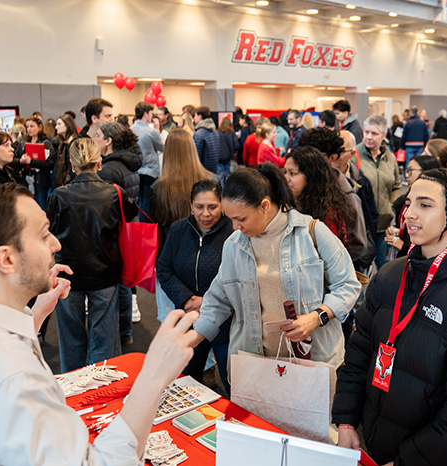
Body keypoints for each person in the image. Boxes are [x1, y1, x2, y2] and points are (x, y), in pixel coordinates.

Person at [0, 183, 198, 466]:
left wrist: (37, 311)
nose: (56, 244)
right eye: (43, 235)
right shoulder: (9, 375)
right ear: (7, 259)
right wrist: (154, 376)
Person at [332, 168, 447, 466]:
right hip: (372, 442)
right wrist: (346, 420)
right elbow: (359, 353)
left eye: (425, 205)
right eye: (409, 203)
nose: (409, 214)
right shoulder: (390, 276)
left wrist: (406, 464)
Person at [193, 164, 361, 368]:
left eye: (241, 219)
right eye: (231, 220)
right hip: (254, 361)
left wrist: (316, 317)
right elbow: (219, 296)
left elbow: (348, 285)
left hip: (311, 361)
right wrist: (194, 336)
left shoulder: (312, 233)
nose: (235, 227)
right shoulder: (235, 244)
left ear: (264, 205)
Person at [46, 138, 137, 373]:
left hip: (67, 272)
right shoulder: (114, 193)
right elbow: (130, 215)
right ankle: (102, 388)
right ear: (99, 162)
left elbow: (50, 232)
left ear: (73, 165)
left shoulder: (58, 195)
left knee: (70, 337)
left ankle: (73, 387)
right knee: (105, 337)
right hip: (105, 271)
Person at [157, 180, 234, 393]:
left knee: (233, 384)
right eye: (199, 207)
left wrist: (207, 302)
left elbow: (239, 277)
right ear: (191, 205)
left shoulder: (234, 233)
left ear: (222, 205)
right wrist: (188, 300)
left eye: (212, 207)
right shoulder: (179, 230)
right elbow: (164, 269)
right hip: (189, 319)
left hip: (225, 323)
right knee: (187, 383)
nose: (206, 214)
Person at [151, 129, 215, 317]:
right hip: (208, 258)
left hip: (170, 261)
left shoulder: (158, 188)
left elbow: (156, 224)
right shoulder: (212, 180)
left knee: (172, 322)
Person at [284, 146, 363, 258]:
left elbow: (331, 257)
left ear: (310, 176)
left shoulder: (327, 212)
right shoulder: (294, 202)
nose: (286, 178)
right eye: (285, 172)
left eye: (292, 173)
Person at [355, 114, 403, 268]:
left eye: (374, 133)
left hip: (384, 225)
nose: (369, 137)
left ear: (384, 135)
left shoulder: (390, 158)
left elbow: (396, 185)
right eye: (366, 132)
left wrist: (391, 207)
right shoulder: (353, 155)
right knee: (360, 272)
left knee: (386, 269)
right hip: (361, 226)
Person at [386, 154, 441, 258]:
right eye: (407, 171)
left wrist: (402, 246)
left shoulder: (433, 205)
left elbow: (429, 244)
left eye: (411, 171)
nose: (407, 175)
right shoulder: (405, 199)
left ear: (425, 172)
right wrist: (398, 231)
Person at [14, 115, 55, 209]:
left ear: (39, 127)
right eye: (27, 127)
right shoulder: (23, 143)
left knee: (41, 207)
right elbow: (14, 160)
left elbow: (50, 164)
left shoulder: (45, 143)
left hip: (41, 181)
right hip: (26, 180)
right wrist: (21, 161)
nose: (29, 129)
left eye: (32, 126)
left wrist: (31, 162)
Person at [132, 102, 164, 219]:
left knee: (139, 201)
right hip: (150, 171)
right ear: (145, 114)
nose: (152, 116)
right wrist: (156, 129)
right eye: (151, 113)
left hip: (135, 170)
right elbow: (162, 147)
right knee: (146, 202)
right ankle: (145, 229)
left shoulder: (130, 129)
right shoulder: (151, 132)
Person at [53, 114, 80, 188]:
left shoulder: (74, 143)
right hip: (62, 184)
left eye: (59, 124)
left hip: (70, 185)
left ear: (68, 125)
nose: (56, 127)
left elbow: (73, 169)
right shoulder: (61, 144)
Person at [193, 106, 220, 173]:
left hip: (203, 172)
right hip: (214, 170)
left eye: (195, 116)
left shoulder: (198, 134)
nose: (194, 118)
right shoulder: (216, 132)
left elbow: (196, 157)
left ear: (200, 117)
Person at [217, 116, 238, 184]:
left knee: (220, 176)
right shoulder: (231, 133)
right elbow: (236, 145)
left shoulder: (218, 132)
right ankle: (228, 191)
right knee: (229, 175)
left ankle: (221, 191)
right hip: (229, 157)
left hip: (219, 157)